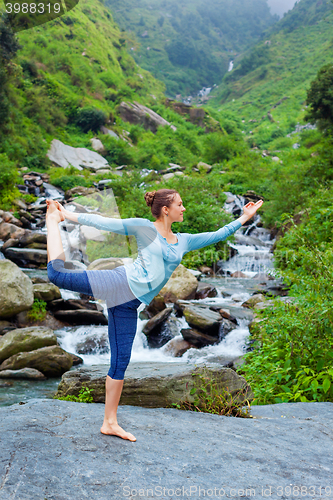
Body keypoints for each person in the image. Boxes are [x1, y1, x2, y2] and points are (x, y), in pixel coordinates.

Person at [46, 189, 263, 441]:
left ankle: (110, 422)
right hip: (118, 283)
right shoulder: (143, 228)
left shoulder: (183, 240)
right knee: (57, 276)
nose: (183, 208)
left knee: (120, 362)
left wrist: (244, 217)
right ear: (165, 209)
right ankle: (53, 220)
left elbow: (218, 234)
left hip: (128, 304)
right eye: (180, 204)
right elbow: (103, 222)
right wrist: (65, 214)